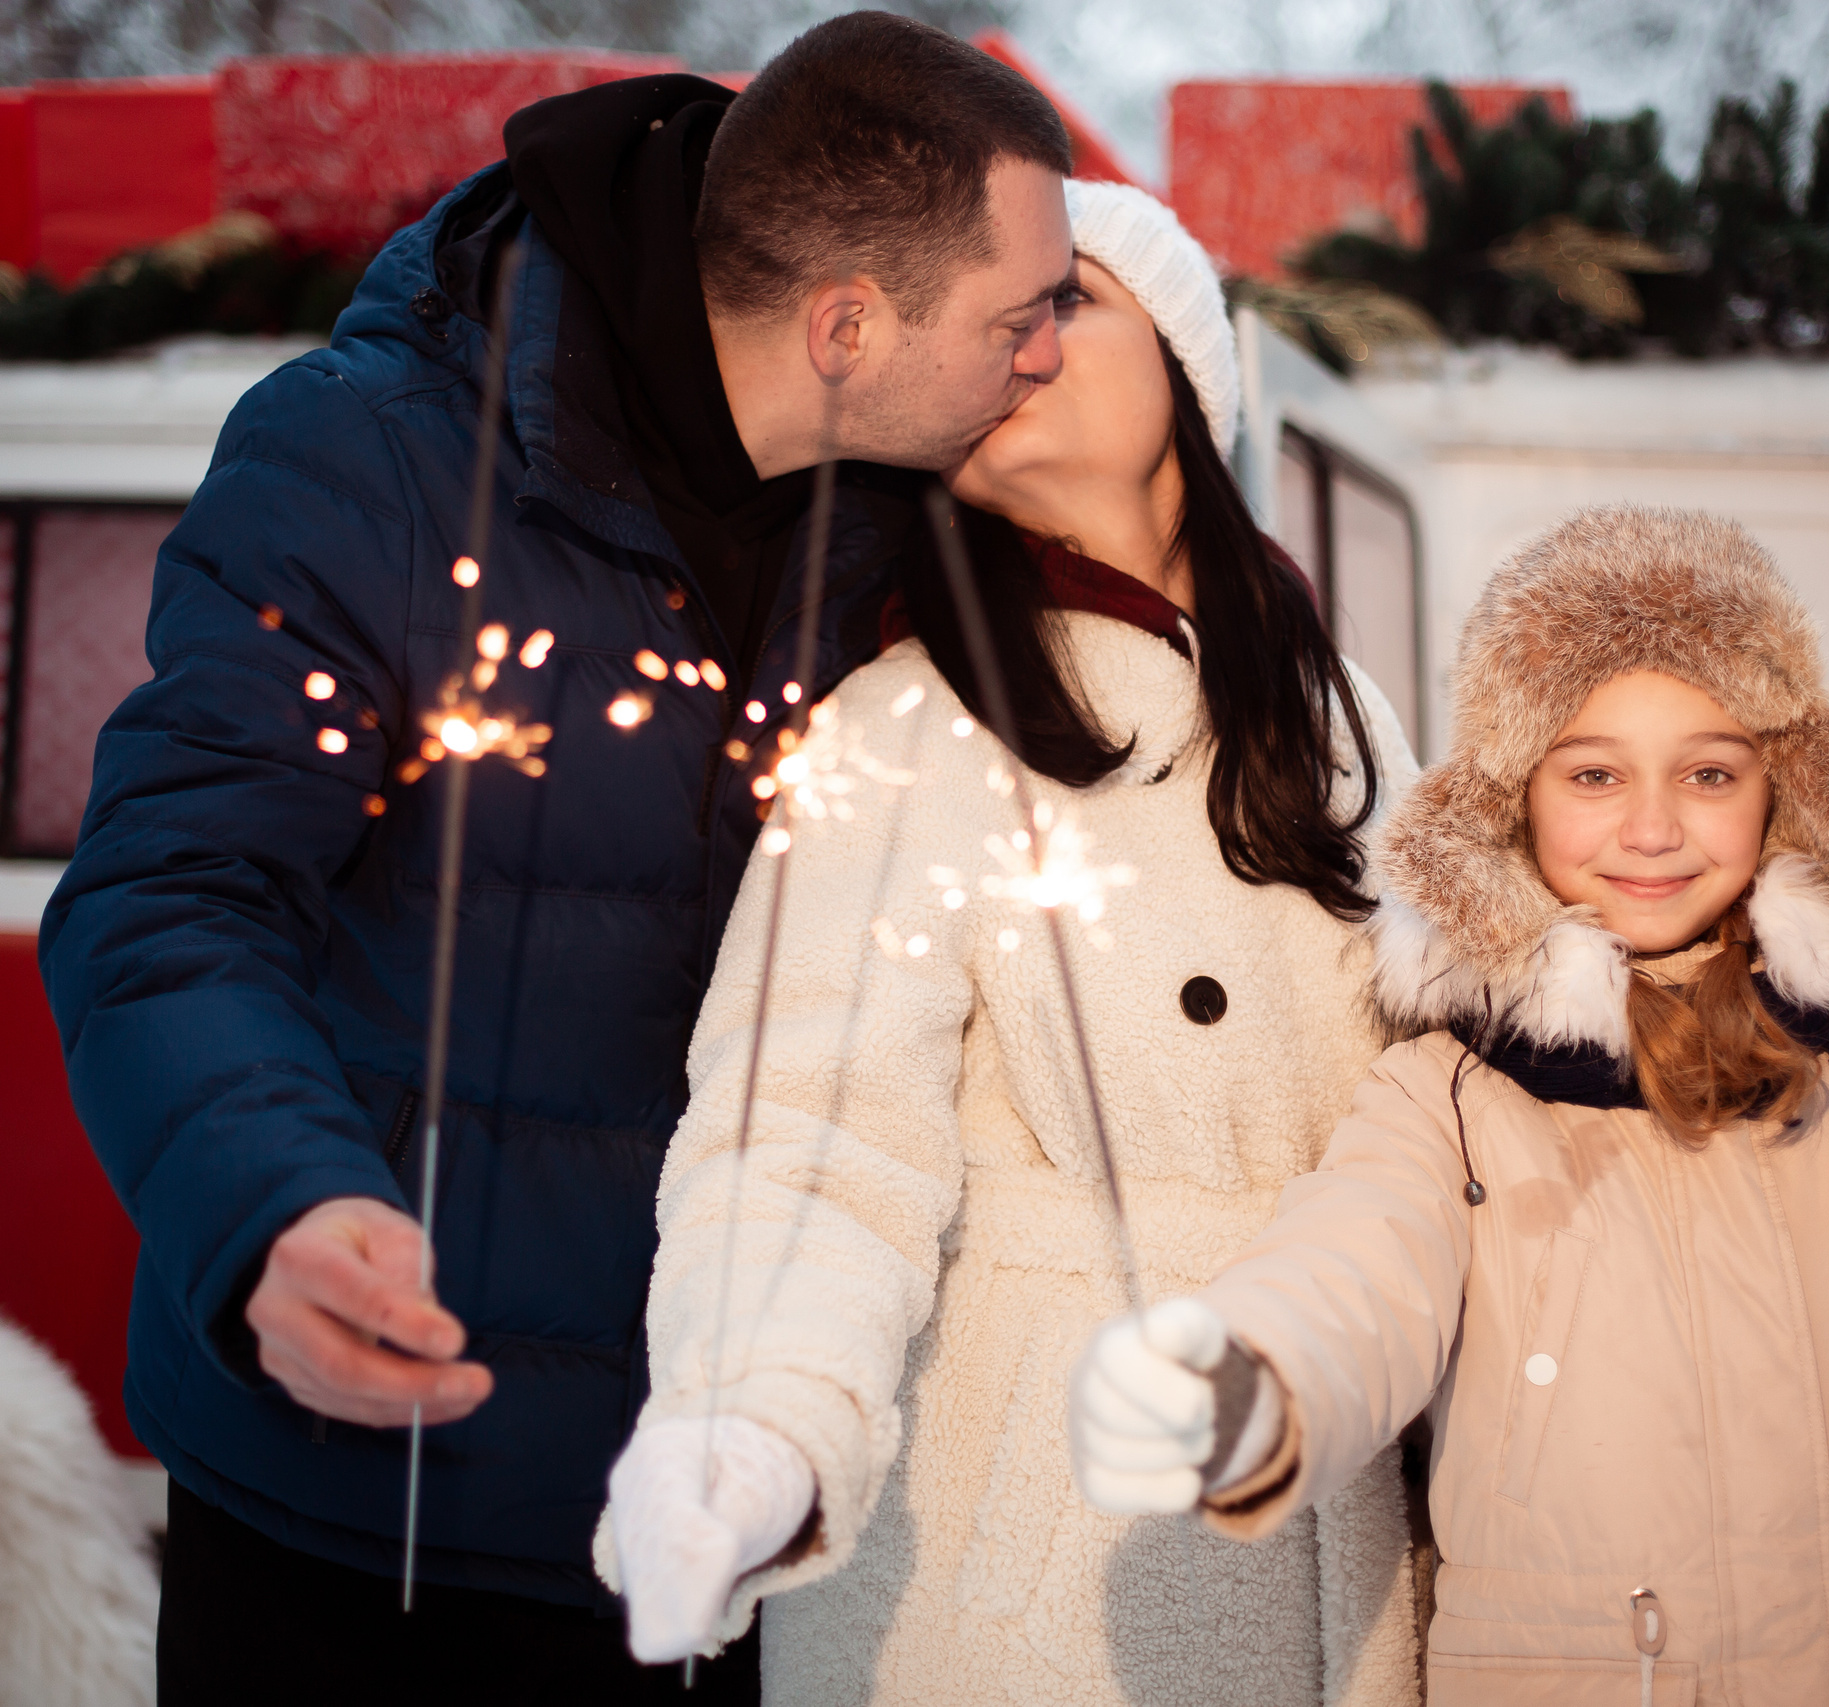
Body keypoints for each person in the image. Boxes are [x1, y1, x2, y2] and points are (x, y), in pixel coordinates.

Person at [37, 16, 1078, 1701]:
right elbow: (173, 894)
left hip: (729, 1512)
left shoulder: (917, 512)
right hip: (366, 1518)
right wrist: (276, 1201)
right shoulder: (366, 465)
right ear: (844, 326)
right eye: (1022, 315)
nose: (1050, 353)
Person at [1068, 505, 1829, 1704]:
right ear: (1513, 801)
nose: (1652, 829)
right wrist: (1249, 1379)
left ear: (1785, 790)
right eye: (1594, 774)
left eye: (1709, 772)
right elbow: (1352, 1279)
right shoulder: (1450, 1100)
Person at [600, 181, 1427, 1705]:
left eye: (1069, 301)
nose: (1022, 348)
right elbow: (812, 1141)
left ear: (1185, 366)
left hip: (1338, 1534)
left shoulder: (1344, 721)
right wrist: (747, 1423)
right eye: (997, 318)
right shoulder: (905, 725)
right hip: (1018, 1583)